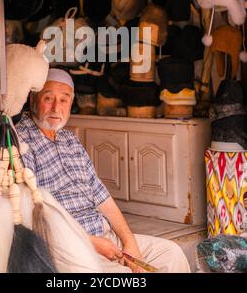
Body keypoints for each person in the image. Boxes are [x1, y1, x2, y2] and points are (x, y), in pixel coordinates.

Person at [15, 68, 191, 273]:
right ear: (33, 98)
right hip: (68, 247)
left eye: (64, 100)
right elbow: (33, 216)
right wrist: (91, 243)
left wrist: (130, 242)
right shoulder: (22, 141)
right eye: (48, 98)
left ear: (71, 103)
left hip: (106, 239)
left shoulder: (69, 140)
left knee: (172, 254)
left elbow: (103, 199)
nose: (56, 107)